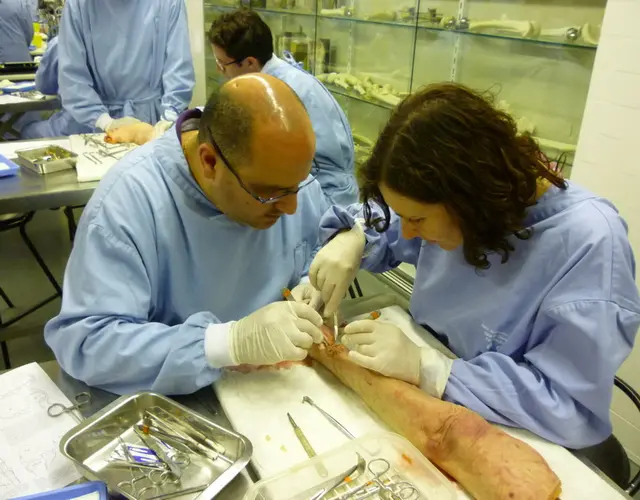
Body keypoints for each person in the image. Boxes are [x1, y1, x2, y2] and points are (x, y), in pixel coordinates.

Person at [309, 83, 640, 449]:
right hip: (427, 398)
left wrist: (432, 368)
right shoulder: (460, 205)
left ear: (471, 200)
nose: (408, 231)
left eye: (417, 220)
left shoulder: (589, 243)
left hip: (513, 434)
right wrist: (353, 236)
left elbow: (567, 407)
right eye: (405, 217)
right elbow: (390, 222)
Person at [44, 75, 329, 395]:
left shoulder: (281, 173)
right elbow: (90, 343)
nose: (291, 207)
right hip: (181, 399)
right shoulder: (129, 202)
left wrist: (311, 280)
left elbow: (316, 244)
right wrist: (225, 344)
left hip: (281, 384)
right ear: (209, 162)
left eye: (298, 186)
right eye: (270, 194)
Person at [208, 9, 357, 207]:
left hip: (324, 197)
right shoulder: (278, 76)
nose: (220, 71)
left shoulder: (279, 94)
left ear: (250, 62)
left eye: (223, 64)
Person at [56, 0, 195, 136]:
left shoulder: (169, 3)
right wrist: (104, 122)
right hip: (98, 127)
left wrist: (168, 118)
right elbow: (71, 78)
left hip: (154, 122)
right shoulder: (79, 5)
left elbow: (178, 67)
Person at [16, 37, 91, 139]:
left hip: (74, 128)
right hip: (112, 127)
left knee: (28, 131)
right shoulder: (113, 43)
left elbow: (45, 86)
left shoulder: (62, 41)